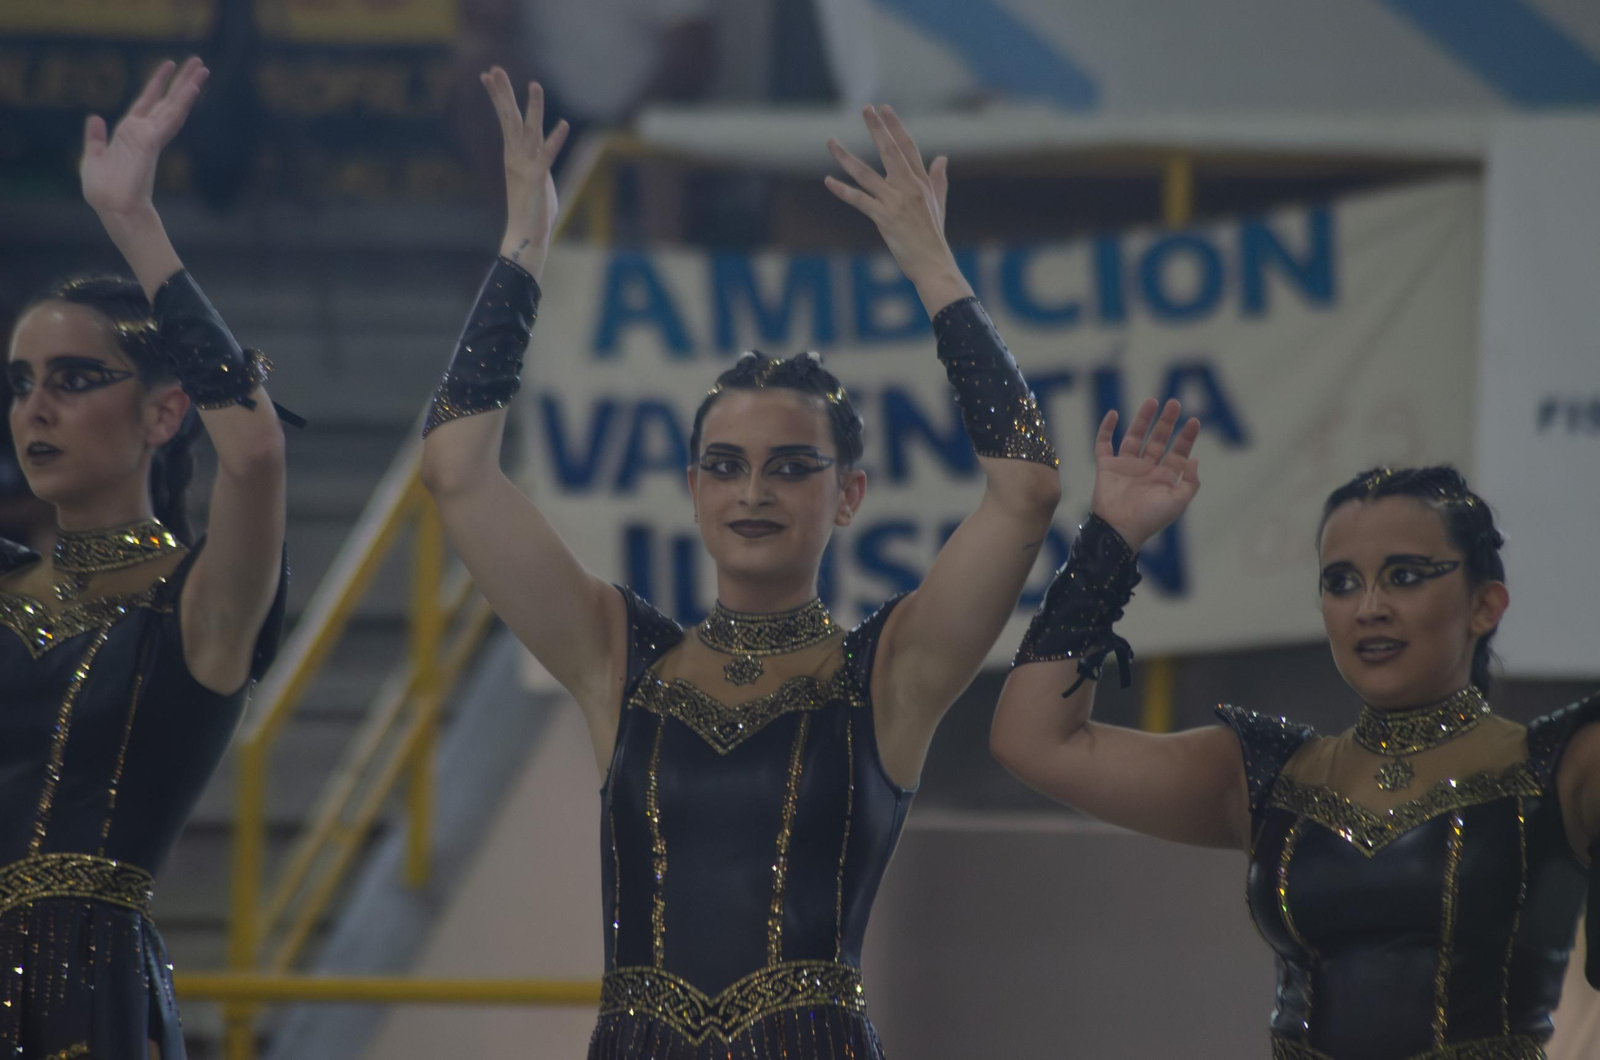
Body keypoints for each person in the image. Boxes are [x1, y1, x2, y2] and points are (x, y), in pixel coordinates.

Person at [420, 67, 1061, 1056]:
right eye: (725, 466)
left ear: (846, 494)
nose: (752, 491)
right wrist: (525, 243)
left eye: (789, 467)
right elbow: (458, 472)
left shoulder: (888, 671)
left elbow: (1025, 487)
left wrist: (934, 269)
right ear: (692, 487)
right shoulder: (615, 657)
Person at [989, 413, 1600, 1060]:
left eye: (1406, 575)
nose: (1369, 606)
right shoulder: (1269, 773)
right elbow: (1034, 740)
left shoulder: (1563, 764)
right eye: (1341, 582)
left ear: (1487, 605)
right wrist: (1111, 541)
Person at [0, 58, 291, 1059]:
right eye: (22, 381)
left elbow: (254, 452)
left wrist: (133, 220)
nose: (36, 407)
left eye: (75, 379)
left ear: (167, 411)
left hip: (86, 997)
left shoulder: (196, 603)